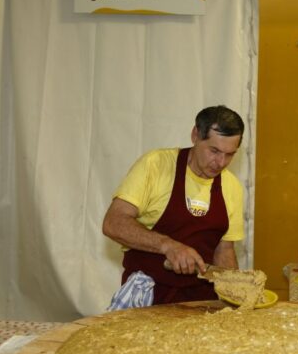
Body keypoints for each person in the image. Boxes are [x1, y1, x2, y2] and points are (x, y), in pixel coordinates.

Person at [102, 105, 245, 305]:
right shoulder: (156, 165)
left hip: (202, 302)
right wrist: (168, 246)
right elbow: (113, 222)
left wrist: (236, 294)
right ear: (195, 135)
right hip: (150, 298)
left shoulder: (232, 186)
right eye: (214, 151)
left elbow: (224, 249)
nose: (220, 162)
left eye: (230, 154)